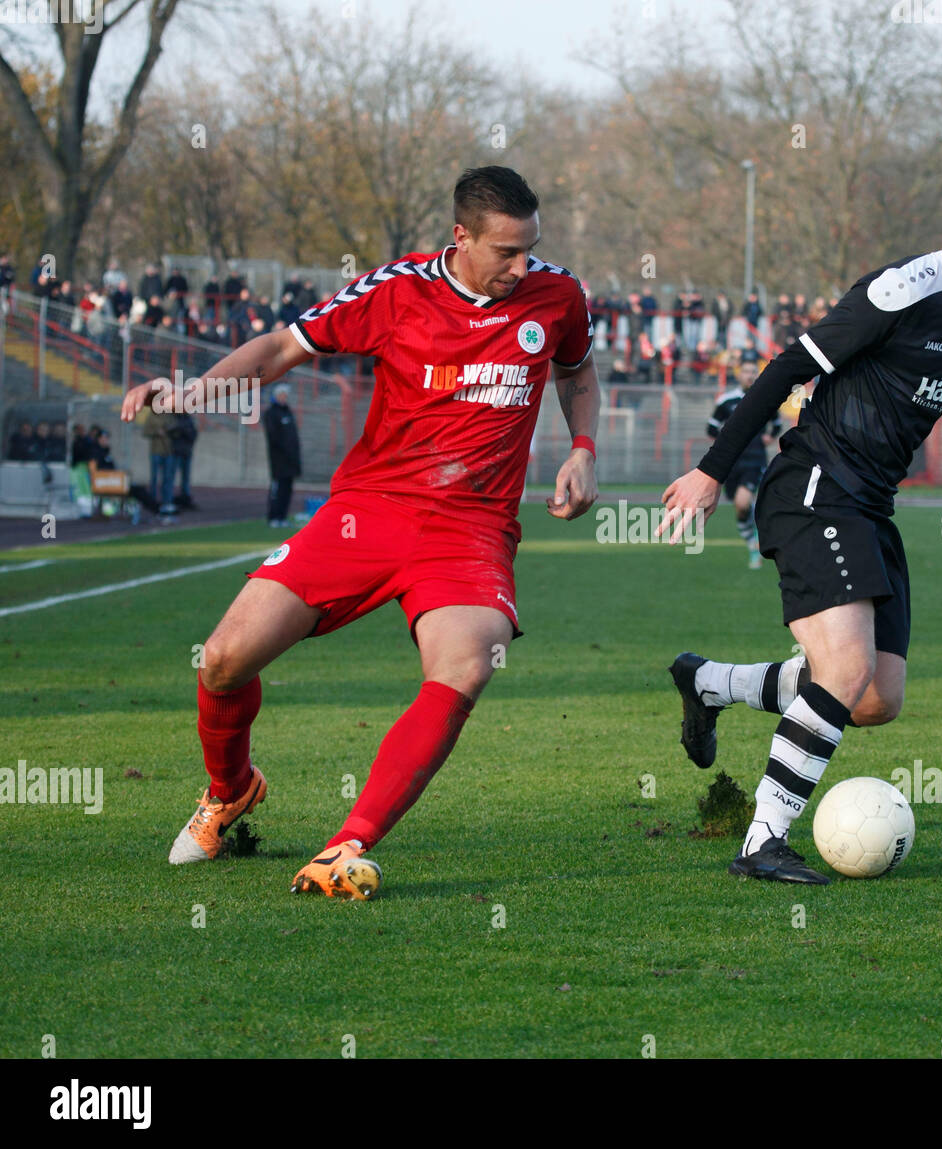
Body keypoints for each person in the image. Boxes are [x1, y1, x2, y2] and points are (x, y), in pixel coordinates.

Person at [119, 166, 598, 900]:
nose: (522, 266)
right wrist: (189, 392)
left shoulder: (558, 294)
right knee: (221, 660)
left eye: (531, 248)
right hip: (367, 512)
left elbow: (577, 373)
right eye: (506, 252)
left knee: (465, 665)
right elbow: (282, 350)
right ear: (460, 237)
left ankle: (347, 843)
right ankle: (230, 790)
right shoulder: (396, 290)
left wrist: (583, 449)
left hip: (471, 529)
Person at [658, 173, 942, 884]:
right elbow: (789, 366)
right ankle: (762, 839)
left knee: (875, 696)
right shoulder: (900, 292)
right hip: (816, 488)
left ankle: (710, 684)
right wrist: (712, 470)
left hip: (870, 507)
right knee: (843, 672)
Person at [707, 360, 780, 569]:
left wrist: (769, 436)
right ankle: (752, 543)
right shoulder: (726, 401)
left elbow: (775, 424)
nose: (750, 375)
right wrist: (726, 441)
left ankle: (757, 537)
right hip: (732, 462)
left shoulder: (765, 397)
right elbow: (711, 428)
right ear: (739, 374)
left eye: (753, 372)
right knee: (740, 509)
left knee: (742, 502)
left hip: (755, 460)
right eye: (746, 371)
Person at [263, 384, 300, 527]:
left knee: (287, 489)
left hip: (291, 460)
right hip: (279, 460)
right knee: (277, 489)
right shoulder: (272, 413)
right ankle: (273, 517)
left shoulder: (288, 412)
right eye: (282, 395)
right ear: (277, 395)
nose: (285, 397)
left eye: (286, 395)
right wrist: (283, 452)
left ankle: (283, 516)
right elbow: (274, 437)